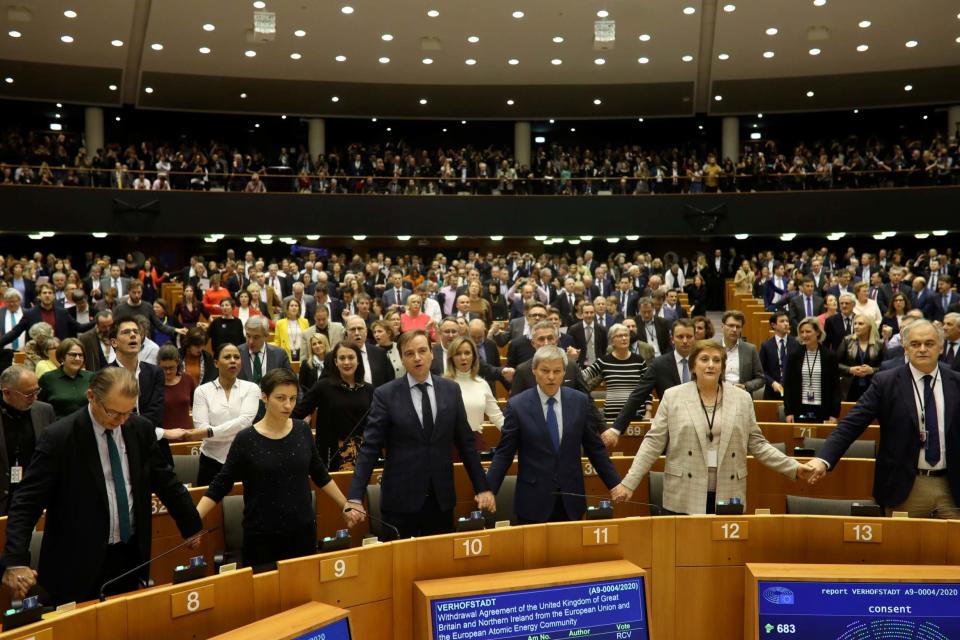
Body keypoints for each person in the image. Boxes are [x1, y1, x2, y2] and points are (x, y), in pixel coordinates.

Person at [0, 367, 203, 604]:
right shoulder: (60, 437)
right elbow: (27, 501)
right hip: (75, 561)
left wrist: (190, 523)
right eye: (114, 413)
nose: (121, 421)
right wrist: (15, 559)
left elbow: (166, 481)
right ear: (91, 397)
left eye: (127, 412)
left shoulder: (139, 428)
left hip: (129, 555)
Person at [611, 340, 801, 514]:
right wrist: (629, 483)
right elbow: (652, 444)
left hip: (729, 488)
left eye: (716, 360)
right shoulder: (673, 396)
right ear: (693, 366)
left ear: (722, 367)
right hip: (684, 492)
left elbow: (758, 445)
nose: (711, 364)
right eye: (704, 359)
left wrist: (794, 467)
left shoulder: (742, 399)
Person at [343, 330, 495, 539]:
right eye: (409, 353)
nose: (417, 358)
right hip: (399, 502)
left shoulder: (451, 390)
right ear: (402, 359)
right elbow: (369, 449)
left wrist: (483, 488)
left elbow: (466, 444)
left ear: (431, 353)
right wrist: (354, 497)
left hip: (440, 500)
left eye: (422, 350)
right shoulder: (385, 394)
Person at [802, 320, 960, 518]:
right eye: (915, 344)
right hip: (905, 488)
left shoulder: (956, 382)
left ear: (940, 347)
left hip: (952, 487)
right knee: (902, 548)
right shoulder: (886, 382)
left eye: (928, 344)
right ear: (905, 348)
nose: (922, 349)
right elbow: (852, 424)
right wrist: (823, 459)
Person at [197, 369, 352, 569]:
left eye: (293, 398)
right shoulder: (246, 439)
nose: (288, 405)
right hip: (262, 538)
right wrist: (195, 518)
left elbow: (320, 474)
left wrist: (345, 505)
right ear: (265, 397)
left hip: (302, 532)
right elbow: (221, 483)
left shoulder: (302, 431)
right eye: (280, 398)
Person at [487, 345, 620, 523]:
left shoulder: (579, 402)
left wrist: (614, 483)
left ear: (564, 372)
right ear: (534, 370)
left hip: (571, 498)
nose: (551, 377)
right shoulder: (517, 406)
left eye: (557, 371)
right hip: (533, 501)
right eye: (545, 371)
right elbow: (504, 453)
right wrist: (488, 489)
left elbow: (595, 448)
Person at [611, 318, 697, 441]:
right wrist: (617, 428)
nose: (685, 341)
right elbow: (637, 396)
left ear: (695, 338)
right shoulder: (659, 364)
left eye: (689, 336)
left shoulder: (703, 361)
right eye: (680, 336)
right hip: (671, 430)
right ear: (672, 339)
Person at [188, 343, 261, 486]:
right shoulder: (202, 391)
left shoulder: (251, 388)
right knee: (209, 507)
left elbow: (244, 422)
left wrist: (210, 432)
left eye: (237, 357)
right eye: (227, 357)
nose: (233, 360)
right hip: (211, 461)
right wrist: (208, 432)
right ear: (216, 363)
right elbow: (201, 428)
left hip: (243, 459)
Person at [293, 342, 373, 470]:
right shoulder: (323, 386)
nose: (346, 362)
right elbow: (299, 413)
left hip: (364, 455)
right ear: (335, 362)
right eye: (342, 358)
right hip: (331, 454)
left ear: (358, 361)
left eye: (351, 358)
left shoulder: (369, 389)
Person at [0, 365, 55, 514]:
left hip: (34, 498)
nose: (35, 398)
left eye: (36, 391)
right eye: (28, 394)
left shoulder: (45, 411)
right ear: (7, 392)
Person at [444, 336, 504, 450]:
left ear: (474, 356)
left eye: (467, 353)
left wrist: (517, 435)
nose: (463, 358)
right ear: (451, 358)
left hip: (475, 442)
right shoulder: (443, 384)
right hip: (448, 443)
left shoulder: (482, 384)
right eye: (458, 354)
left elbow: (497, 417)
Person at [582, 323, 648, 422]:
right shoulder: (604, 361)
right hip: (612, 415)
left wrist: (649, 410)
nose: (624, 338)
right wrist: (572, 362)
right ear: (612, 341)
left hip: (636, 413)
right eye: (620, 336)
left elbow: (647, 387)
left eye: (626, 335)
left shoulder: (639, 360)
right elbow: (582, 376)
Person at [784, 317, 841, 424]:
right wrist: (788, 412)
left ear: (818, 332)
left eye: (808, 331)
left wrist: (834, 414)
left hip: (823, 409)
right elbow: (788, 385)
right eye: (802, 332)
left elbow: (835, 387)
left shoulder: (829, 356)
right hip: (800, 408)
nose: (804, 335)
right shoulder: (794, 355)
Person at [0, 283, 91, 347]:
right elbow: (15, 333)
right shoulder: (30, 314)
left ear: (54, 296)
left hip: (58, 353)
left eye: (50, 293)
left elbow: (80, 327)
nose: (47, 295)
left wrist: (96, 320)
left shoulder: (63, 313)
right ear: (39, 296)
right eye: (44, 293)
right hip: (37, 355)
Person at [38, 337, 93, 418]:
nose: (77, 358)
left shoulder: (91, 377)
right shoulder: (48, 379)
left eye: (81, 355)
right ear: (62, 356)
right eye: (73, 355)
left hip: (86, 427)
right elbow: (39, 408)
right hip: (58, 428)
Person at [837, 315, 884, 402]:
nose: (856, 326)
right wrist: (850, 369)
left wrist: (872, 370)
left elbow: (887, 367)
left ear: (869, 326)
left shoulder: (880, 344)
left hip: (873, 386)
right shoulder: (847, 341)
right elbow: (835, 364)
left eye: (860, 324)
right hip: (850, 387)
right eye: (855, 324)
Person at [717, 310, 765, 394]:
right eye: (731, 325)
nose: (734, 330)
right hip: (718, 396)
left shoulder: (750, 349)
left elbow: (760, 379)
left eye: (738, 327)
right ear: (722, 327)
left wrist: (746, 386)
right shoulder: (713, 348)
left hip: (742, 397)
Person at [342, 315, 395, 388]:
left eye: (360, 329)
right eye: (352, 329)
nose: (357, 333)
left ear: (366, 332)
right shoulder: (336, 355)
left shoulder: (380, 353)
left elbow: (390, 380)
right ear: (346, 333)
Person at [157, 344, 195, 441]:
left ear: (178, 364)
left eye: (171, 367)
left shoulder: (188, 379)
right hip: (163, 438)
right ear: (158, 365)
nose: (168, 372)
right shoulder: (154, 383)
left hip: (186, 436)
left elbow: (195, 406)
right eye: (164, 368)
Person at [239, 316, 293, 384]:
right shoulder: (237, 353)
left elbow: (292, 382)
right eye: (248, 336)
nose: (250, 341)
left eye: (256, 337)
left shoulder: (280, 354)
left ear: (266, 336)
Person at [759, 311, 797, 400]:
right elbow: (761, 371)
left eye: (787, 321)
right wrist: (772, 383)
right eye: (782, 321)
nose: (786, 324)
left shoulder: (797, 343)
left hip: (792, 391)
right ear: (773, 325)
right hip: (772, 391)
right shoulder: (766, 346)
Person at [273, 298, 309, 363]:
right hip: (286, 354)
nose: (294, 308)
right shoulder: (280, 323)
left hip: (302, 353)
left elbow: (307, 339)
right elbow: (277, 341)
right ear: (287, 308)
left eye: (296, 306)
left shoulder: (305, 322)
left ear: (299, 308)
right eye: (291, 306)